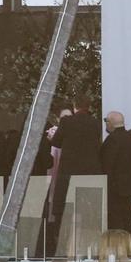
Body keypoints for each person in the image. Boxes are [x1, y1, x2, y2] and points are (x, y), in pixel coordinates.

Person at [48, 96, 103, 253]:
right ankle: (90, 248)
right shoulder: (95, 123)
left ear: (74, 106)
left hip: (69, 173)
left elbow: (56, 142)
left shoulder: (67, 122)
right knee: (89, 212)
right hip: (91, 173)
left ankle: (64, 247)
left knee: (66, 210)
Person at [99, 111, 131, 248]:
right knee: (128, 221)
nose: (105, 123)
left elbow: (106, 165)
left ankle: (117, 254)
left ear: (110, 123)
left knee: (115, 222)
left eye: (106, 120)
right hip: (128, 188)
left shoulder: (112, 140)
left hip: (113, 189)